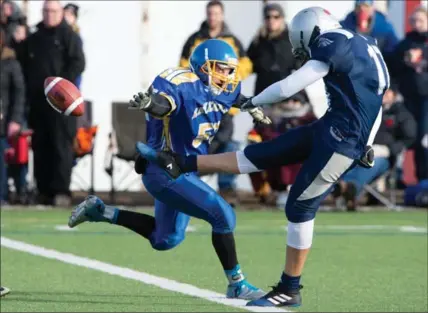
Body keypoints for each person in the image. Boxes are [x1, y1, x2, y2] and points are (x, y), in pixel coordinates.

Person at [135, 7, 390, 308]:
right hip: (332, 125)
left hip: (343, 140)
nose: (305, 51)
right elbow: (378, 94)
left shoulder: (331, 42)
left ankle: (289, 288)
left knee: (298, 206)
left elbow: (291, 85)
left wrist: (251, 103)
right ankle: (183, 163)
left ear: (310, 32)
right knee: (260, 154)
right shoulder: (364, 42)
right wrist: (369, 142)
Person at [68, 39, 272, 300]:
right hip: (164, 168)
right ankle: (237, 284)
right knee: (224, 216)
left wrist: (249, 105)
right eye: (221, 69)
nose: (227, 76)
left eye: (229, 70)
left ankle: (101, 211)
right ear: (203, 67)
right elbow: (164, 104)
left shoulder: (223, 86)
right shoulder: (181, 82)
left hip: (186, 170)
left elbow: (232, 96)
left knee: (165, 239)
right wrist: (151, 104)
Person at [16, 0, 85, 206]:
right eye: (46, 11)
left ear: (60, 13)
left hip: (62, 104)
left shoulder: (69, 37)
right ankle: (43, 189)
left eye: (53, 11)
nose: (49, 15)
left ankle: (61, 190)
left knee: (61, 146)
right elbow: (23, 64)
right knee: (40, 146)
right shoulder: (34, 38)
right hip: (38, 102)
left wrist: (59, 87)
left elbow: (78, 63)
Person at [333, 85, 417, 211]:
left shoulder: (402, 114)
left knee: (370, 164)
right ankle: (346, 191)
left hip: (385, 155)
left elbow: (409, 136)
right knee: (346, 161)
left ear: (394, 95)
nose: (384, 96)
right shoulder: (369, 110)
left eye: (388, 93)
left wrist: (390, 150)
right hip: (361, 150)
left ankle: (348, 187)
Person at [391, 6, 428, 181]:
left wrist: (422, 59)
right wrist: (406, 60)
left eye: (421, 20)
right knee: (409, 136)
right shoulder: (405, 43)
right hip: (409, 98)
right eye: (414, 21)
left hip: (426, 99)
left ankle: (425, 179)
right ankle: (409, 179)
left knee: (424, 138)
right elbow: (393, 65)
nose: (416, 24)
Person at [180, 0, 252, 80]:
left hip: (224, 87)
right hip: (199, 87)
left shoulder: (232, 40)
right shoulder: (194, 39)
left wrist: (231, 75)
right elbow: (183, 63)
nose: (212, 17)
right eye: (209, 14)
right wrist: (193, 77)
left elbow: (246, 64)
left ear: (222, 15)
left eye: (216, 14)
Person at [247, 3, 299, 95]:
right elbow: (247, 63)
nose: (271, 20)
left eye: (276, 16)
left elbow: (301, 65)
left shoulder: (291, 39)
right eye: (268, 17)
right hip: (263, 92)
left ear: (282, 18)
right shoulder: (258, 40)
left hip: (286, 92)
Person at [0, 27, 25, 205]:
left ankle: (2, 195)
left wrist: (15, 119)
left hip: (4, 120)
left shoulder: (10, 63)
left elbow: (19, 93)